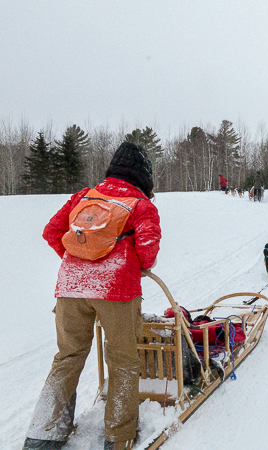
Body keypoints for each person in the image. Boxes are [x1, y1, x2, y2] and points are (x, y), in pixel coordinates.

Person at [23, 142, 161, 450]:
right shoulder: (140, 204)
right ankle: (119, 437)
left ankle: (43, 435)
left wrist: (78, 258)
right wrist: (130, 265)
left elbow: (51, 231)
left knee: (67, 357)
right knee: (123, 360)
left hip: (70, 289)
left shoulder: (85, 196)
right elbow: (148, 250)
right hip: (116, 289)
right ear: (144, 176)